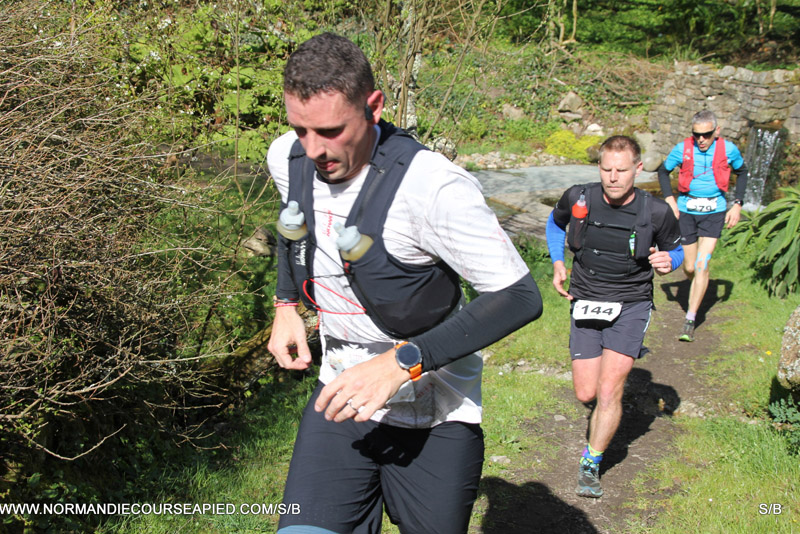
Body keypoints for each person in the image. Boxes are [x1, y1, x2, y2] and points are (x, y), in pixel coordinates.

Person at [266, 32, 543, 534]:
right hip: (341, 397)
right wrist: (286, 303)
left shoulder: (433, 188)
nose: (314, 150)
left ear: (374, 107)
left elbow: (519, 297)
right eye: (300, 129)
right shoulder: (288, 157)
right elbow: (295, 223)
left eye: (330, 130)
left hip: (434, 410)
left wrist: (400, 363)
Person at [545, 135, 683, 498]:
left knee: (608, 390)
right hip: (586, 299)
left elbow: (677, 250)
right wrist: (558, 262)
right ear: (599, 167)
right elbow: (555, 223)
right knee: (586, 392)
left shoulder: (656, 212)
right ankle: (602, 410)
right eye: (606, 169)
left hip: (631, 304)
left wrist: (669, 261)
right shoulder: (579, 197)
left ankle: (591, 462)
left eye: (621, 170)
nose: (613, 177)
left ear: (638, 168)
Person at [657, 110, 748, 342]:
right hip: (687, 212)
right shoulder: (682, 149)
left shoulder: (728, 150)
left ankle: (690, 318)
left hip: (714, 212)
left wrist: (737, 205)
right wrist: (670, 200)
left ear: (716, 131)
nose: (701, 139)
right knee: (689, 267)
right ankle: (699, 283)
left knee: (702, 263)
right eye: (696, 134)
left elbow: (742, 172)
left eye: (706, 135)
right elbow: (663, 171)